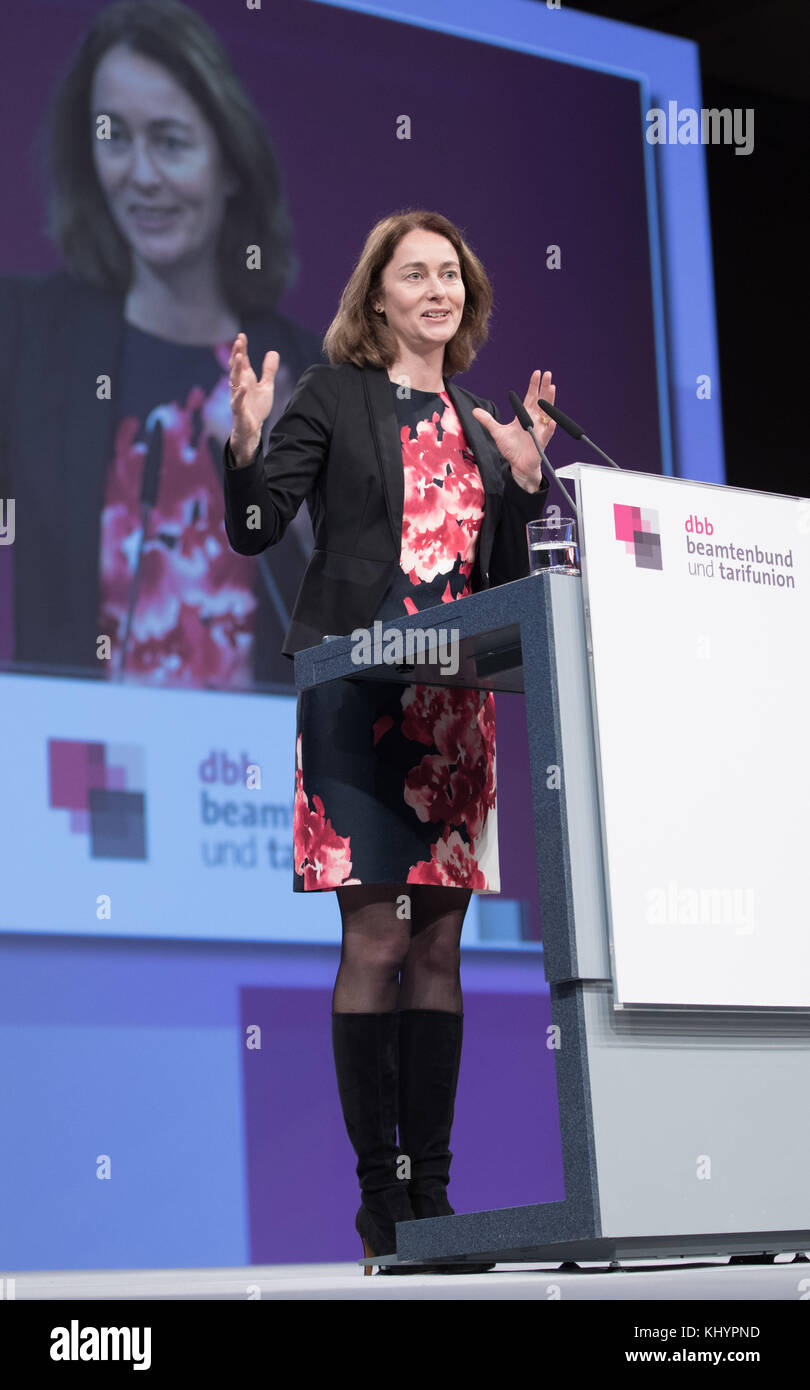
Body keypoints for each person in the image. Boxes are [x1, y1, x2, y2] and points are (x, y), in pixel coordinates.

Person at [224, 209, 558, 1274]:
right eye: (414, 274)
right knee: (376, 942)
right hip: (357, 699)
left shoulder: (481, 418)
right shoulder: (334, 395)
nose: (436, 290)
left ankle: (436, 1196)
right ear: (378, 296)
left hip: (451, 714)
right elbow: (258, 528)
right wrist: (245, 444)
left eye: (450, 275)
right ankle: (382, 1205)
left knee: (441, 948)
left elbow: (498, 589)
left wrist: (522, 487)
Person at [0, 0, 321, 689]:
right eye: (114, 137)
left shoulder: (308, 373)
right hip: (77, 778)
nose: (140, 174)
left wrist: (306, 516)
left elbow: (381, 617)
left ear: (230, 164)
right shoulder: (24, 338)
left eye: (170, 142)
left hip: (250, 786)